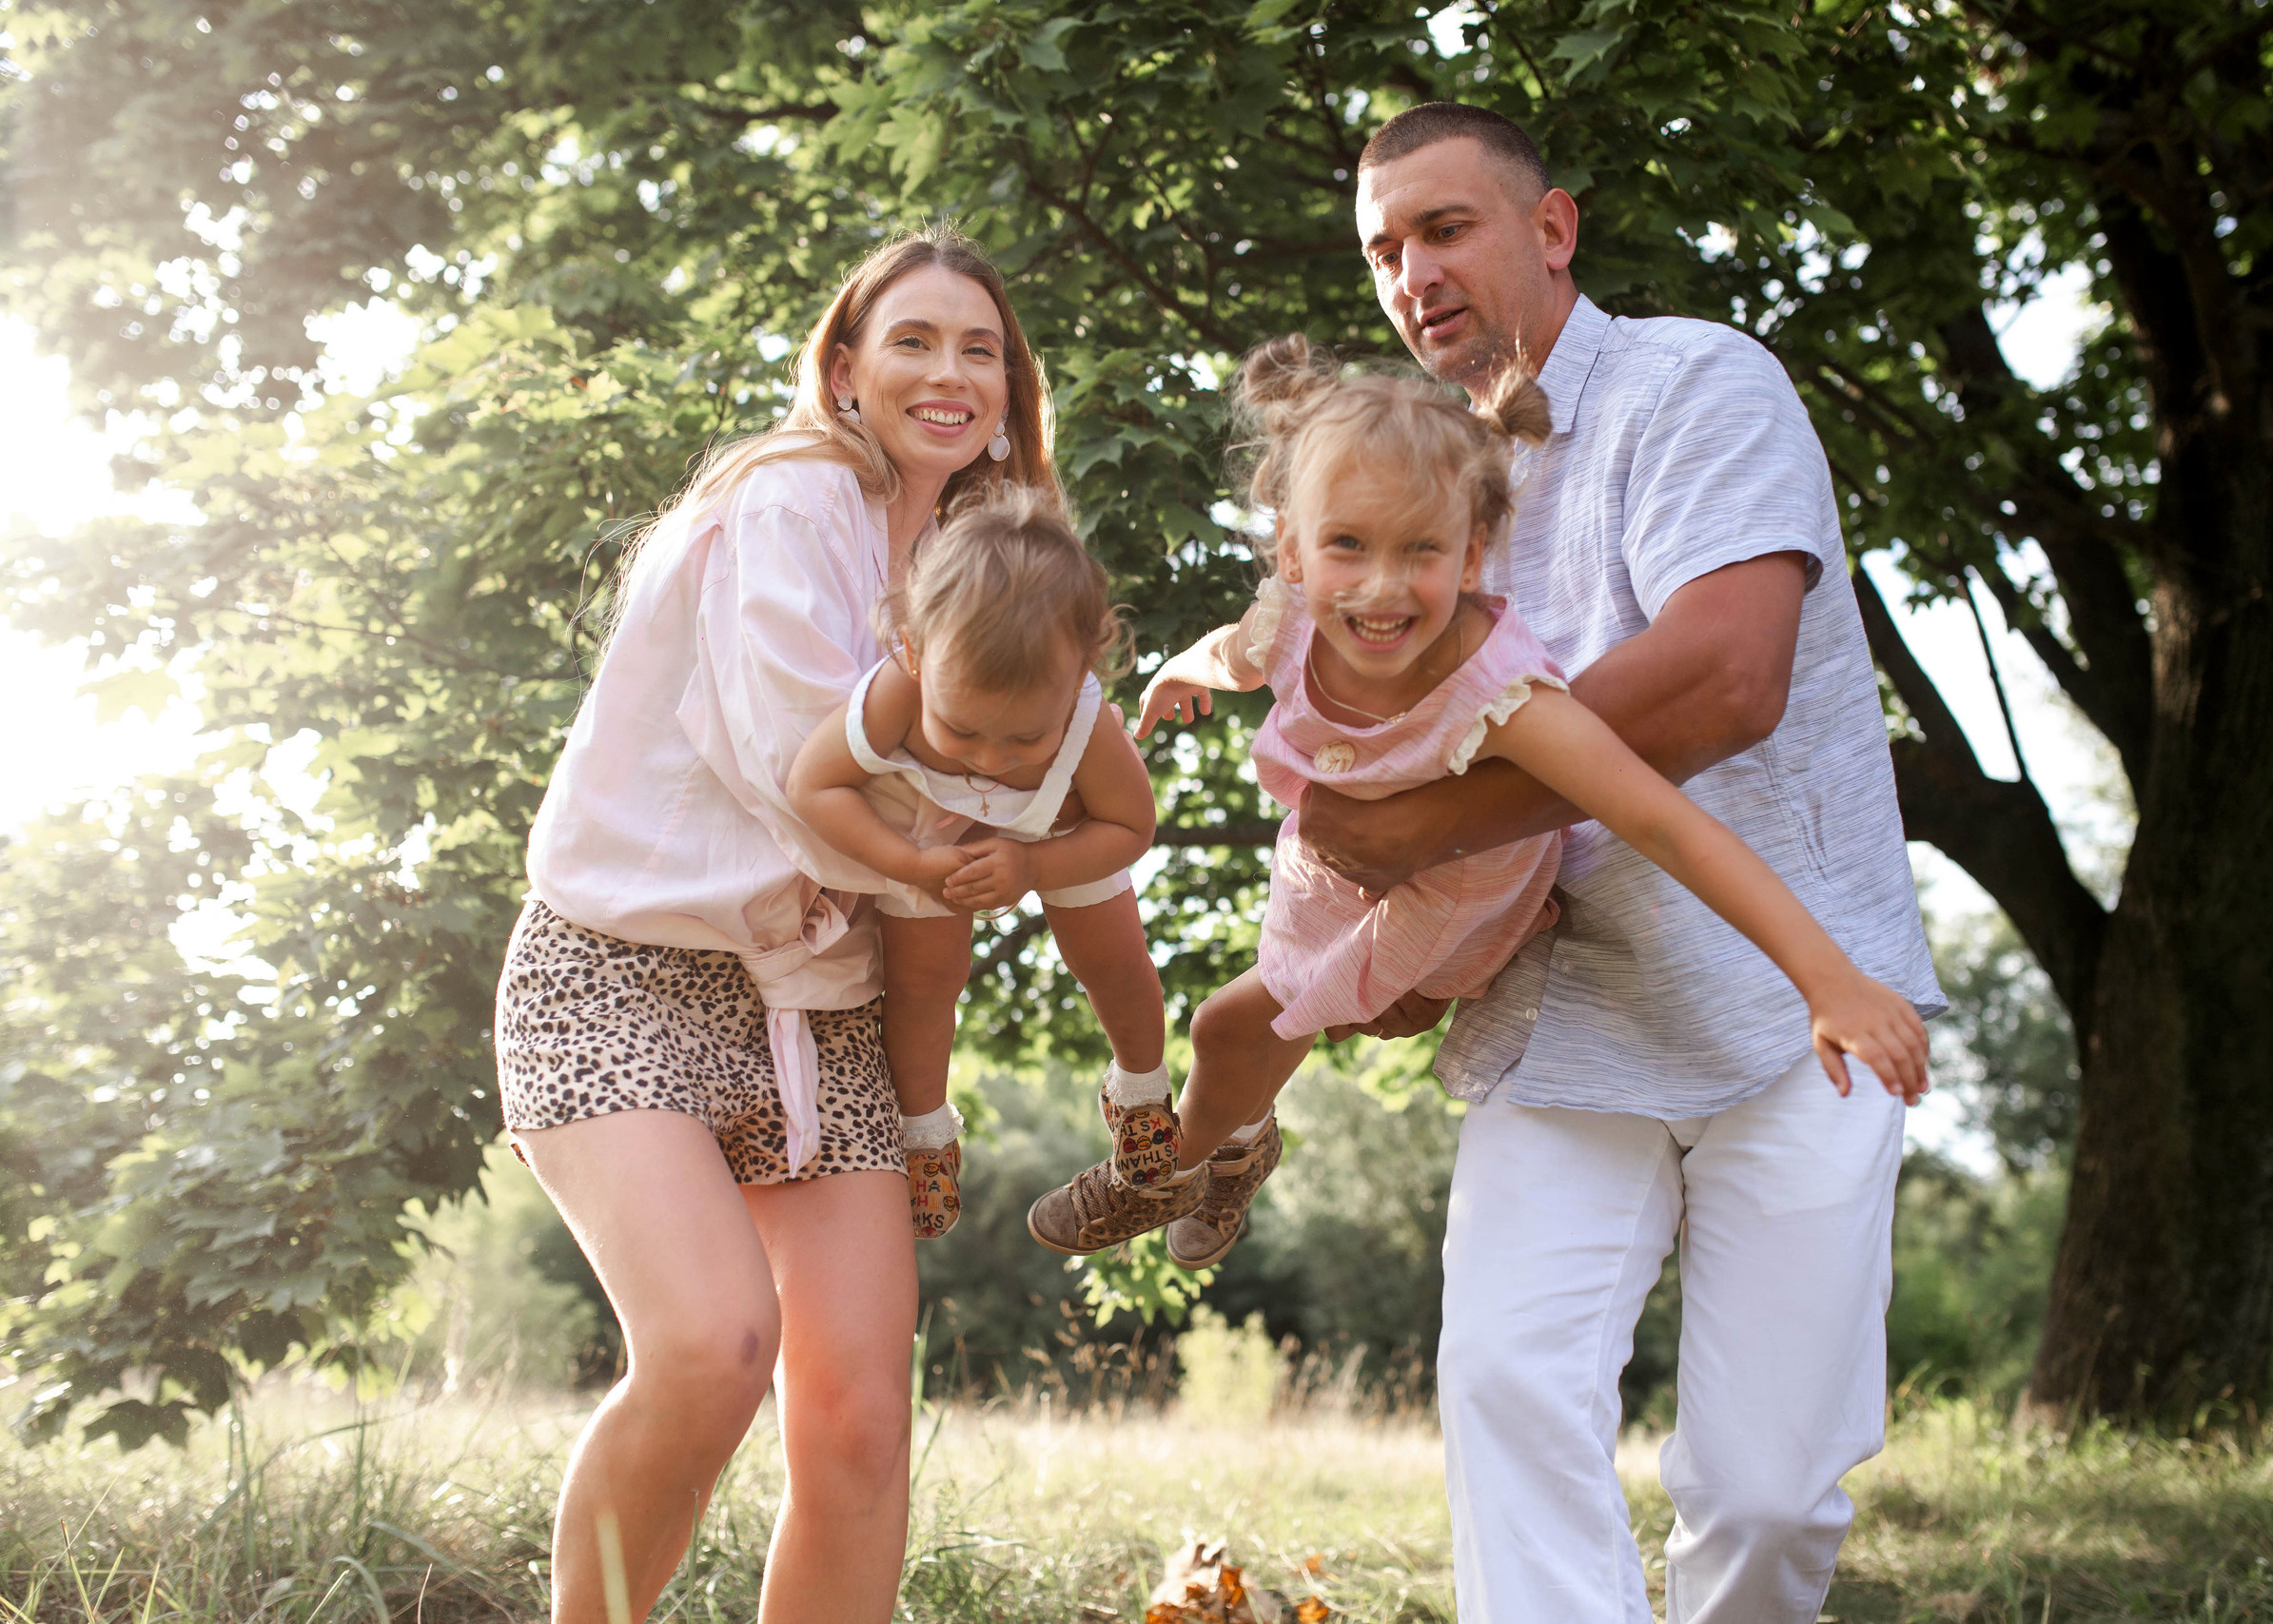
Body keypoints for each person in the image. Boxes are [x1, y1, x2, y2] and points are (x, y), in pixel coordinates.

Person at [1339, 106, 1948, 1623]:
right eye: (1381, 248)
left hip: (1792, 996)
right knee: (1505, 1386)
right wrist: (1382, 929)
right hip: (1563, 1017)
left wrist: (1429, 811)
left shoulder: (1701, 381)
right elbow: (1346, 747)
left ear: (1552, 230)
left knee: (1761, 1490)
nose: (1412, 272)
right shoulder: (1410, 495)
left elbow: (1725, 676)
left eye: (1444, 227)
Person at [1026, 336, 1928, 1285]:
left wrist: (1828, 979)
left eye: (1421, 550)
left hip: (1453, 889)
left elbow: (1664, 823)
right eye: (1346, 547)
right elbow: (1233, 652)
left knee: (1226, 1025)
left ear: (1473, 557)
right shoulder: (1290, 614)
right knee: (1273, 1006)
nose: (1380, 587)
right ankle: (1239, 1154)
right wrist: (1179, 671)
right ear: (1292, 551)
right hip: (1333, 856)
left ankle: (1164, 1174)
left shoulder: (1500, 693)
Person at [492, 225, 1057, 1624]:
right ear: (846, 368)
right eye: (914, 340)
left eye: (980, 349)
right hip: (621, 972)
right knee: (711, 1343)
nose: (951, 372)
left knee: (861, 1419)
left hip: (820, 1004)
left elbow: (1017, 774)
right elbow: (801, 747)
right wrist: (943, 850)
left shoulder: (981, 556)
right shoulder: (798, 492)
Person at [785, 486, 1174, 1239]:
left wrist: (1036, 867)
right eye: (961, 730)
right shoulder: (895, 690)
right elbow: (815, 782)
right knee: (925, 986)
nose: (992, 760)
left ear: (1081, 673)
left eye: (1024, 739)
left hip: (1065, 826)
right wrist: (910, 863)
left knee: (1116, 961)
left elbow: (1131, 825)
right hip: (932, 839)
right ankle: (925, 1135)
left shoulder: (1087, 726)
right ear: (914, 650)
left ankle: (1142, 1091)